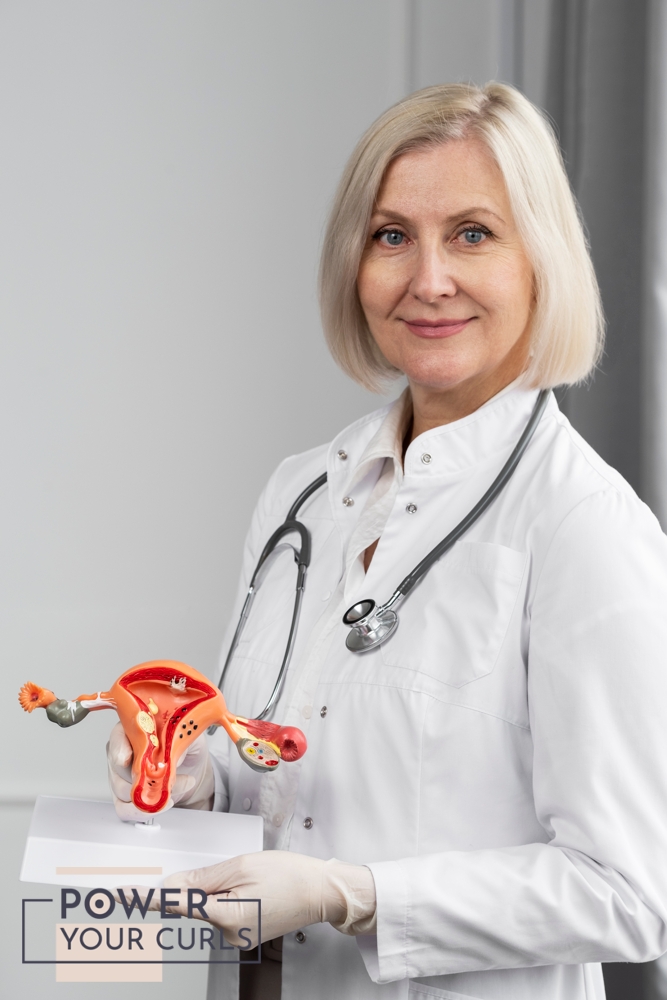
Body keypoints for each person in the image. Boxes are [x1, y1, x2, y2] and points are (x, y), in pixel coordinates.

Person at [108, 82, 667, 1000]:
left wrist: (351, 896)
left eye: (473, 234)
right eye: (391, 235)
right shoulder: (303, 493)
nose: (427, 279)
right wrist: (189, 777)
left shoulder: (582, 528)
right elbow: (284, 777)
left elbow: (626, 894)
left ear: (542, 260)